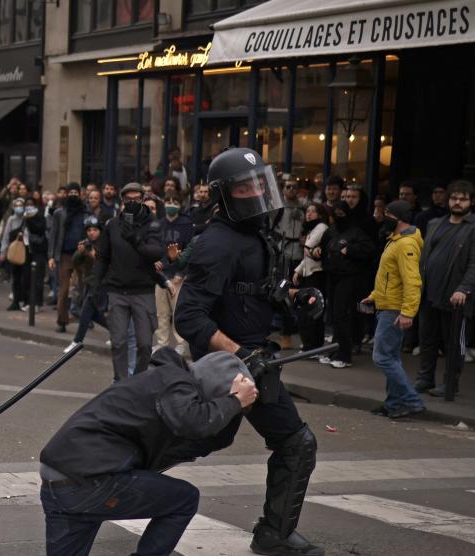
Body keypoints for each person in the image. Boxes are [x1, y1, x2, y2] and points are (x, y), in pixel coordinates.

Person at [174, 148, 324, 556]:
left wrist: (298, 297)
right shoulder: (217, 244)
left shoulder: (255, 236)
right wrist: (241, 353)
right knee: (190, 440)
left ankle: (274, 533)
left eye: (260, 183)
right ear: (224, 195)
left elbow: (260, 291)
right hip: (227, 367)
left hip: (255, 361)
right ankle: (108, 477)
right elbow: (189, 318)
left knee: (295, 442)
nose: (256, 192)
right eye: (245, 186)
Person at [39, 349, 259, 556]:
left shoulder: (163, 381)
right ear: (211, 390)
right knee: (184, 499)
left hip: (57, 478)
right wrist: (234, 401)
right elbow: (194, 424)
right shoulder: (176, 382)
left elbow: (208, 439)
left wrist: (234, 408)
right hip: (91, 481)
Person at [92, 183, 164, 380]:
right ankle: (121, 383)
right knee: (119, 342)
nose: (132, 203)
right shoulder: (112, 225)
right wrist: (94, 285)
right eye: (128, 199)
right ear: (122, 201)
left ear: (142, 199)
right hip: (118, 291)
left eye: (136, 199)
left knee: (145, 344)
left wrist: (136, 240)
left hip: (143, 291)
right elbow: (103, 257)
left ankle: (138, 381)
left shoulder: (152, 223)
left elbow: (157, 252)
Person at [361, 200, 426, 418]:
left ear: (397, 219)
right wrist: (374, 297)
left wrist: (407, 312)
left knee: (382, 357)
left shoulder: (405, 245)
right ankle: (394, 404)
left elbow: (412, 281)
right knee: (392, 357)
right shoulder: (396, 240)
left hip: (394, 309)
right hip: (388, 305)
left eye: (386, 214)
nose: (381, 217)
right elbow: (390, 277)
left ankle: (410, 400)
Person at [415, 180, 475, 397]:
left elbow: (474, 264)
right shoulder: (434, 223)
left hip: (456, 296)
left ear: (471, 202)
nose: (457, 202)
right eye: (454, 198)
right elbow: (424, 256)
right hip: (429, 291)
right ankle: (425, 378)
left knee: (453, 343)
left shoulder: (472, 228)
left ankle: (451, 384)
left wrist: (464, 289)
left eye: (463, 199)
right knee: (427, 338)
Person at [318, 187, 376, 368]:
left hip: (349, 277)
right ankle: (336, 350)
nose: (339, 215)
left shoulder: (356, 231)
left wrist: (350, 250)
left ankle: (344, 354)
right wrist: (318, 251)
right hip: (332, 276)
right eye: (336, 213)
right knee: (335, 314)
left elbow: (369, 249)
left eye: (342, 212)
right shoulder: (332, 230)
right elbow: (323, 247)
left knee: (341, 313)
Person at [49, 183, 91, 334]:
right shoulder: (59, 213)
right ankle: (61, 321)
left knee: (82, 287)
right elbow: (53, 235)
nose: (73, 194)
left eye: (76, 192)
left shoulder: (86, 212)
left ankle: (85, 317)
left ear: (80, 194)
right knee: (64, 290)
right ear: (66, 194)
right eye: (70, 192)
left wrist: (86, 245)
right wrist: (52, 256)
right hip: (65, 254)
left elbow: (92, 233)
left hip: (81, 255)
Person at [154, 192, 192, 355]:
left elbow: (190, 250)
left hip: (177, 275)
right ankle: (162, 343)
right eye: (167, 201)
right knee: (161, 312)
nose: (170, 204)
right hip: (161, 274)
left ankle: (181, 343)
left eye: (174, 201)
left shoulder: (186, 224)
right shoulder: (159, 224)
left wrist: (181, 272)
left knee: (177, 311)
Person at [271, 178, 307, 349]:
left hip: (299, 254)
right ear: (283, 189)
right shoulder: (278, 207)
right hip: (282, 252)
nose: (292, 189)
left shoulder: (303, 207)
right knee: (281, 292)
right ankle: (282, 332)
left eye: (295, 187)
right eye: (288, 187)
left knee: (296, 293)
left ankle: (289, 332)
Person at [64, 217, 108, 352]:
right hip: (89, 283)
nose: (92, 233)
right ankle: (119, 332)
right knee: (93, 314)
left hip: (101, 284)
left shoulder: (105, 244)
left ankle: (77, 341)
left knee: (85, 312)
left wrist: (90, 254)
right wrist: (81, 252)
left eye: (95, 230)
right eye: (89, 230)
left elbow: (103, 262)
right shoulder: (87, 244)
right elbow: (75, 261)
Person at [292, 203, 329, 353]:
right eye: (307, 211)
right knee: (306, 310)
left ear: (320, 214)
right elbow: (306, 255)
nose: (309, 214)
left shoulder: (321, 227)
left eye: (313, 211)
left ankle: (313, 345)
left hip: (317, 274)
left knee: (312, 310)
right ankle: (311, 344)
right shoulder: (311, 229)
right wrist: (298, 271)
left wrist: (308, 246)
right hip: (309, 272)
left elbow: (308, 246)